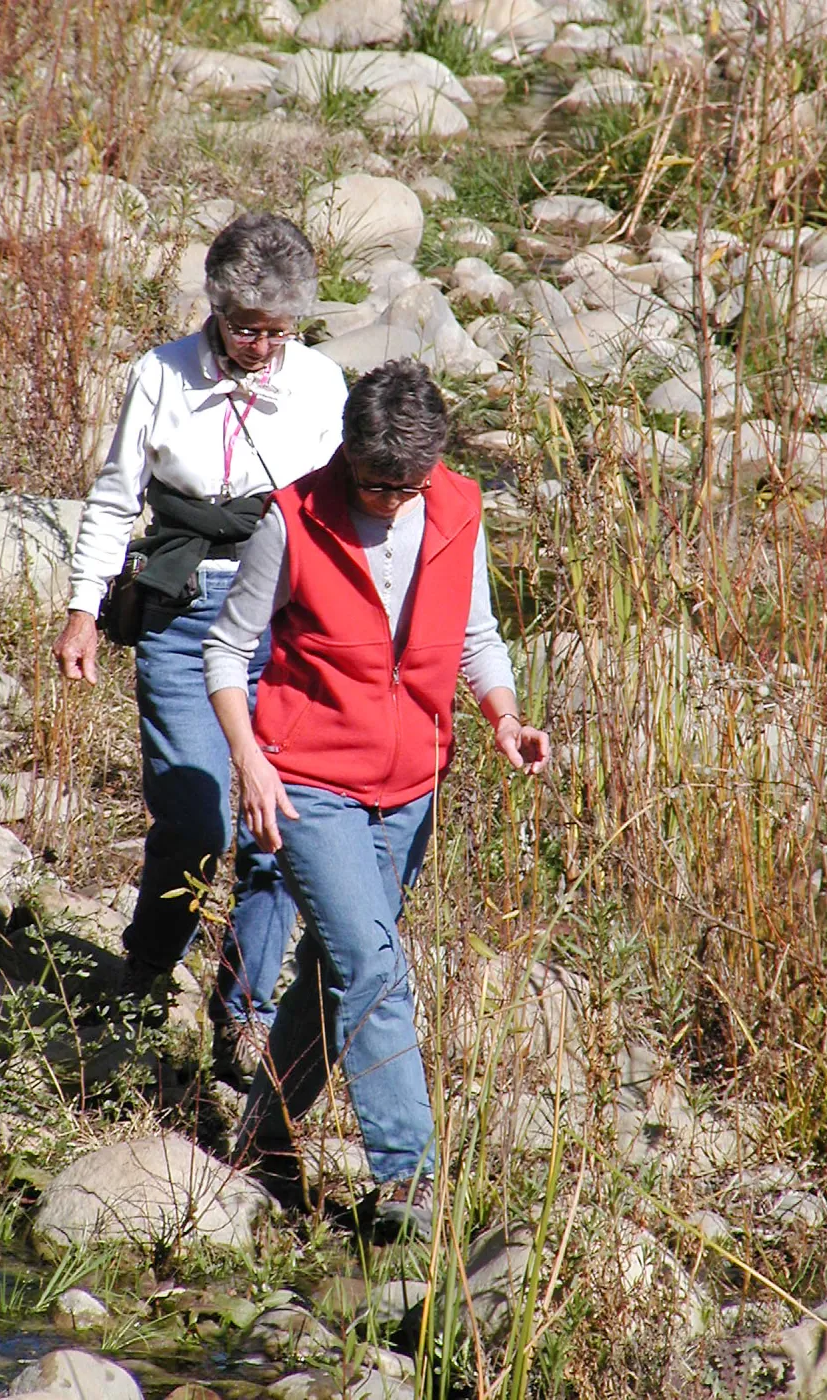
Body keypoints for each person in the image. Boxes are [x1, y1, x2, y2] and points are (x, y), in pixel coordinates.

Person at [203, 358, 550, 1239]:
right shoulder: (291, 520)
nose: (391, 501)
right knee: (375, 967)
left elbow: (477, 634)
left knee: (336, 968)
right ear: (346, 455)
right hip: (308, 778)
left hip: (411, 786)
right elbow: (224, 651)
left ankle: (265, 1136)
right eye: (375, 483)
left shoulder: (459, 510)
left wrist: (503, 718)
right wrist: (250, 762)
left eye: (408, 485)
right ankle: (408, 1176)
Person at [53, 213, 349, 1088]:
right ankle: (145, 965)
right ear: (214, 308)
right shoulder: (159, 374)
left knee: (274, 831)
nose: (262, 347)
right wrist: (80, 611)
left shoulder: (322, 384)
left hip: (284, 621)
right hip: (181, 611)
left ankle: (246, 1012)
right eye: (246, 328)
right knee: (194, 816)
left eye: (279, 332)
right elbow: (116, 498)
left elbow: (339, 521)